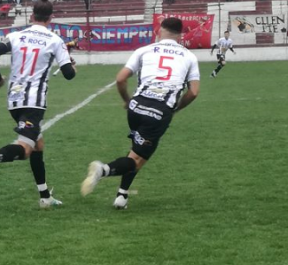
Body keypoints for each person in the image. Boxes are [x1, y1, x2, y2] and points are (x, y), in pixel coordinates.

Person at [81, 17, 200, 209]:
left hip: (136, 107)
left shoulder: (144, 50)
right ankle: (102, 170)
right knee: (137, 158)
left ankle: (122, 196)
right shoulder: (189, 56)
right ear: (181, 35)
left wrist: (128, 101)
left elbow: (120, 79)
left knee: (138, 152)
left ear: (159, 30)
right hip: (159, 110)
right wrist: (176, 109)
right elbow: (193, 92)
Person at [0, 0, 76, 209]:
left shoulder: (15, 35)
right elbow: (68, 74)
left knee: (38, 146)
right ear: (51, 18)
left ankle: (45, 197)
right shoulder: (55, 40)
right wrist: (72, 65)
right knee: (26, 149)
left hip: (14, 99)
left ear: (32, 16)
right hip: (33, 101)